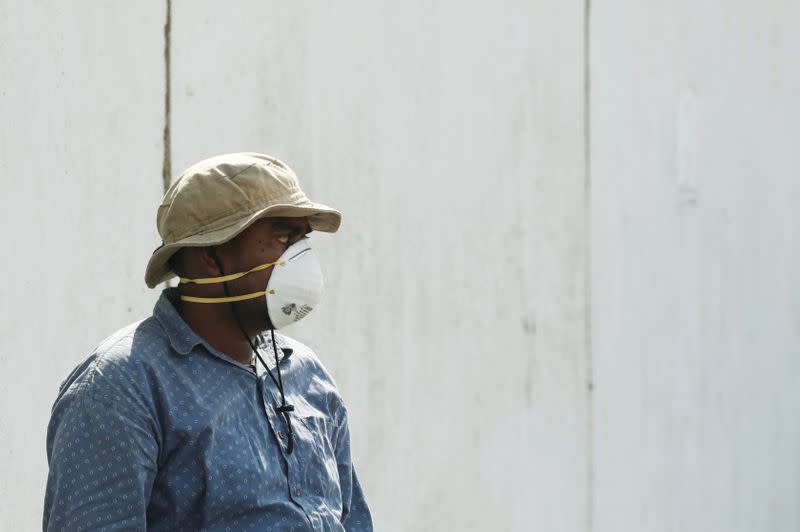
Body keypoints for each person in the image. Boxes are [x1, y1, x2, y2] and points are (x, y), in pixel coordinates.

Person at [43, 153, 374, 531]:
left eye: (302, 240)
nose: (300, 258)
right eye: (283, 238)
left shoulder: (306, 373)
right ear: (210, 257)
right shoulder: (121, 387)